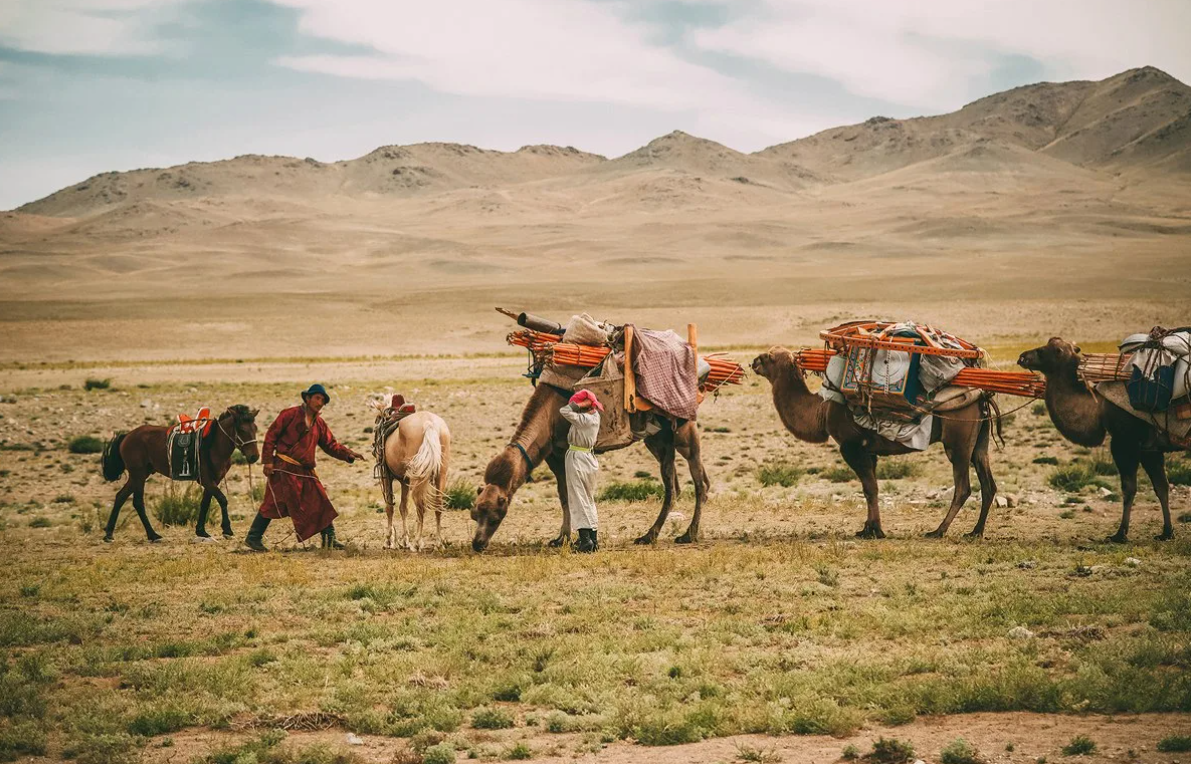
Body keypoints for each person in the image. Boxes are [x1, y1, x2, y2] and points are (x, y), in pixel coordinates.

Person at [246, 384, 365, 551]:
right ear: (308, 399)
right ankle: (253, 538)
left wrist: (348, 454)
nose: (320, 402)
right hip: (283, 468)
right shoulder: (289, 415)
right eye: (317, 398)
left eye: (323, 400)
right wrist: (268, 461)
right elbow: (271, 436)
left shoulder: (319, 423)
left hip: (305, 470)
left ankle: (329, 539)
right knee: (273, 503)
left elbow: (331, 444)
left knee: (320, 500)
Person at [560, 389, 603, 552]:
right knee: (588, 498)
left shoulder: (583, 419)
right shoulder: (595, 417)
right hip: (589, 458)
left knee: (578, 497)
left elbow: (564, 410)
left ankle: (585, 541)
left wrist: (577, 405)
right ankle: (593, 538)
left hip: (577, 458)